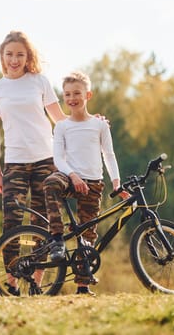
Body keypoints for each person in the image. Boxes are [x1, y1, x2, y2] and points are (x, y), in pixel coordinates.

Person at [0, 31, 67, 295]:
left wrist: (89, 123)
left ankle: (38, 281)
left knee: (42, 221)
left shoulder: (39, 82)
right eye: (9, 54)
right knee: (12, 222)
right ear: (2, 57)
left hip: (45, 159)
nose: (14, 59)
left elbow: (60, 120)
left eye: (20, 54)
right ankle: (12, 280)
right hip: (15, 163)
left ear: (28, 56)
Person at [43, 71, 128, 296]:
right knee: (51, 183)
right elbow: (58, 158)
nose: (72, 98)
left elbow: (109, 155)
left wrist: (117, 183)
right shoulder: (61, 126)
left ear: (88, 95)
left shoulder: (100, 125)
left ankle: (83, 285)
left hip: (93, 184)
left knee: (88, 235)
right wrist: (73, 176)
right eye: (67, 94)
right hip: (68, 177)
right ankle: (57, 238)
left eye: (77, 93)